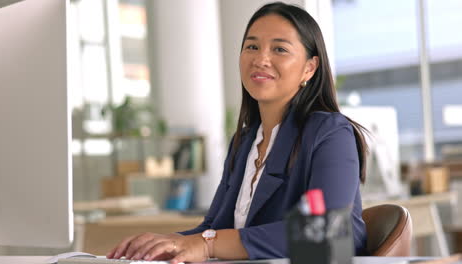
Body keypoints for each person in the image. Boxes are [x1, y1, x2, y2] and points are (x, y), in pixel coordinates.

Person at [106, 2, 368, 263]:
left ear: (309, 68)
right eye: (252, 47)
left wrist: (207, 244)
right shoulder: (244, 141)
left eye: (279, 49)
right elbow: (213, 227)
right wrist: (167, 244)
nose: (261, 59)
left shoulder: (330, 133)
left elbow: (327, 231)